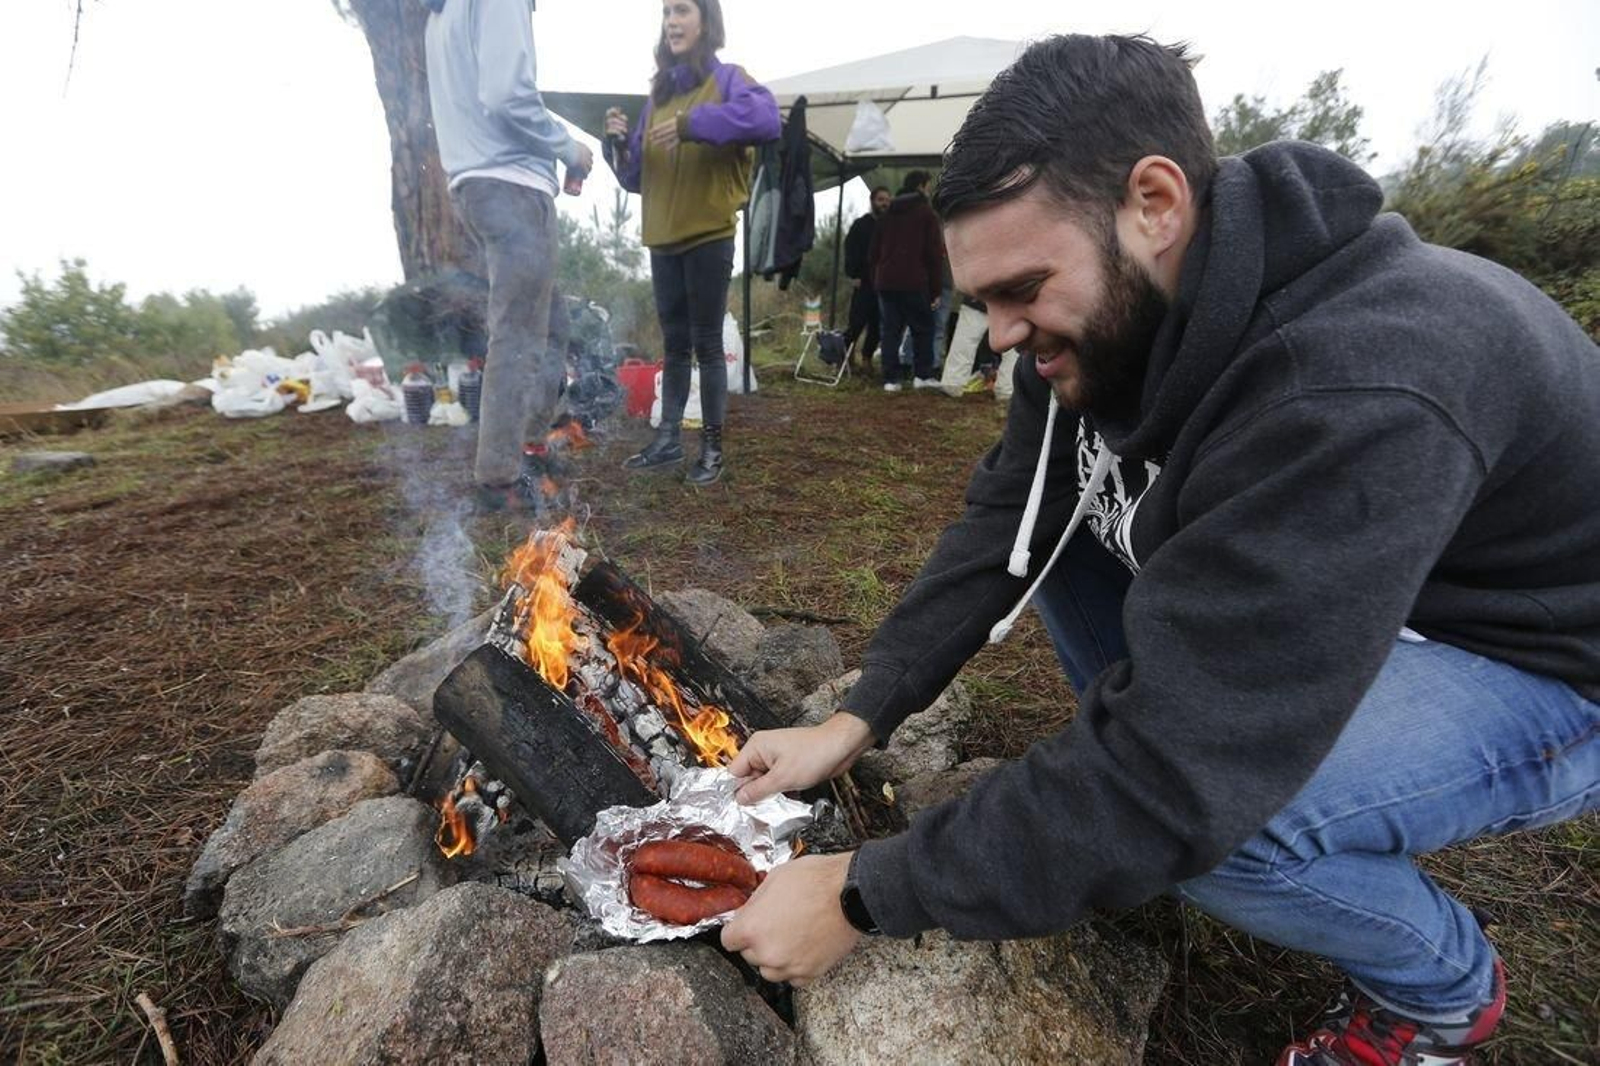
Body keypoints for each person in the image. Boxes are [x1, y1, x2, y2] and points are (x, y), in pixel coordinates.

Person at [719, 34, 1600, 1066]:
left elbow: (1190, 775)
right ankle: (1127, 773)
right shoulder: (1110, 316)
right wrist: (857, 714)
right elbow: (1012, 515)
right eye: (983, 303)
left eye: (1022, 289)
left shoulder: (1360, 382)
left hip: (1545, 660)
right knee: (1068, 548)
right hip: (1373, 586)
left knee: (1224, 819)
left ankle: (1443, 988)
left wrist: (865, 892)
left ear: (1154, 202)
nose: (1001, 335)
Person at [420, 0, 593, 512]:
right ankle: (499, 479)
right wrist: (567, 147)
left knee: (552, 326)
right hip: (511, 186)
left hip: (480, 183)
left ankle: (529, 448)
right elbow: (506, 95)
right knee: (518, 332)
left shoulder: (441, 11)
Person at [603, 0, 779, 486]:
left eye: (681, 10)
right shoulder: (656, 95)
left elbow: (767, 120)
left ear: (705, 21)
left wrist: (693, 124)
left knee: (705, 344)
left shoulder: (727, 80)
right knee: (674, 345)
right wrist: (615, 145)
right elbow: (637, 176)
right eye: (666, 13)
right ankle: (667, 440)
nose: (672, 21)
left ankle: (712, 450)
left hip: (708, 233)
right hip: (662, 236)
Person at [869, 170, 946, 392]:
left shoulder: (887, 214)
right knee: (923, 328)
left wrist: (878, 279)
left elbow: (873, 253)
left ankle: (890, 380)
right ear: (921, 187)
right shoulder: (926, 214)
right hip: (914, 281)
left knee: (890, 331)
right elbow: (933, 255)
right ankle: (922, 375)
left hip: (886, 282)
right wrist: (935, 290)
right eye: (928, 186)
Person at [843, 186, 892, 371]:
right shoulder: (860, 225)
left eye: (887, 200)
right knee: (856, 323)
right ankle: (846, 359)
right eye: (881, 199)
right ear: (872, 201)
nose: (884, 203)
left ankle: (867, 359)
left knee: (878, 324)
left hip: (884, 283)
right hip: (863, 282)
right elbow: (850, 250)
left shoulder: (891, 226)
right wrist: (853, 274)